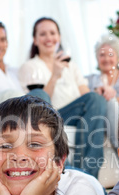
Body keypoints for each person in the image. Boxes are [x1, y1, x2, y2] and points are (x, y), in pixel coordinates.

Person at [18, 17, 107, 179]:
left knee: (96, 99)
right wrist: (55, 75)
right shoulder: (29, 66)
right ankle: (60, 167)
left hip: (71, 116)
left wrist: (100, 92)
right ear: (35, 40)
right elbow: (38, 102)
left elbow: (86, 95)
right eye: (43, 34)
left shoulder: (71, 65)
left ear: (58, 37)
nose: (49, 38)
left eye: (52, 33)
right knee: (38, 94)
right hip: (47, 118)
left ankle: (87, 177)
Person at [0, 20, 50, 127]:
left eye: (2, 40)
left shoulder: (16, 72)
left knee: (39, 94)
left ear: (7, 43)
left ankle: (41, 129)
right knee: (13, 95)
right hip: (1, 117)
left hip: (25, 118)